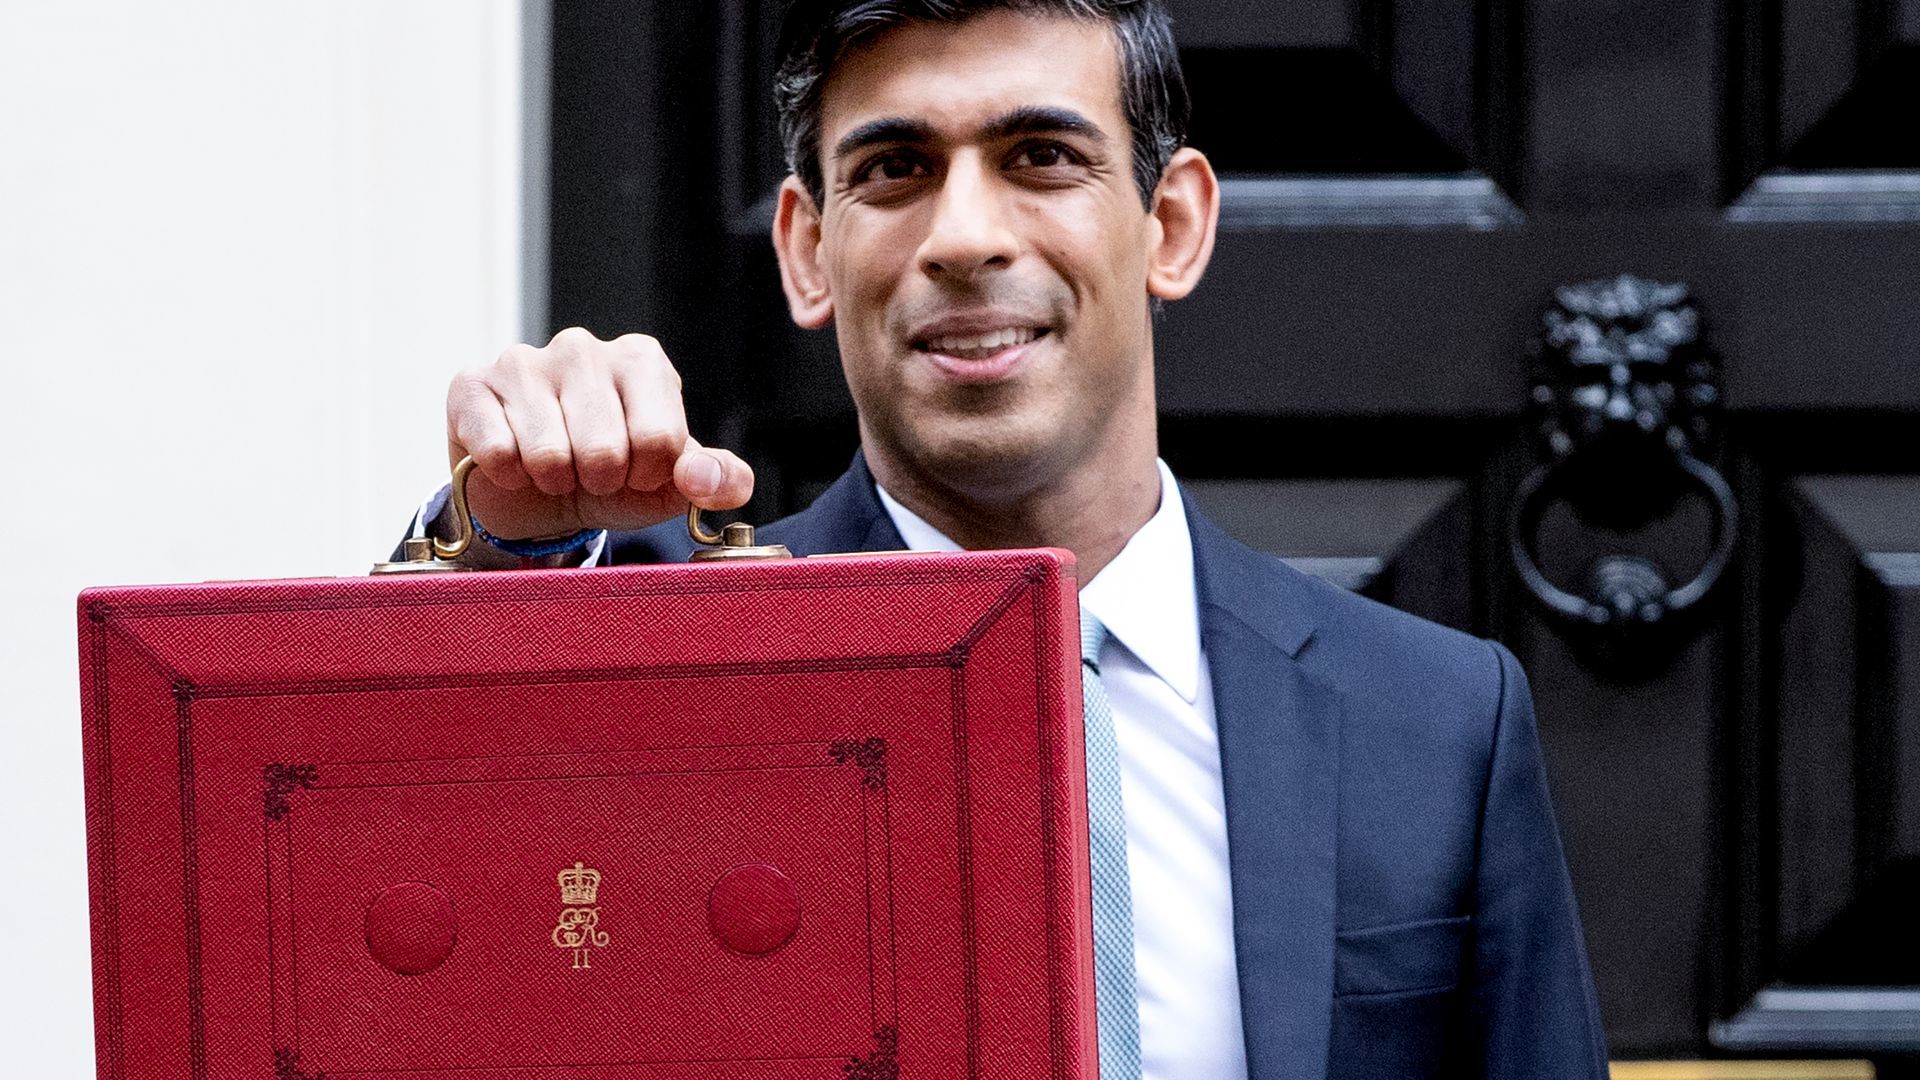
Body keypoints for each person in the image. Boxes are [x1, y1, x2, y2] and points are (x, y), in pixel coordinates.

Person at [407, 1, 1608, 1076]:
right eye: (893, 168)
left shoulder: (1441, 720)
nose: (965, 235)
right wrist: (501, 542)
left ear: (1172, 224)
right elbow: (407, 929)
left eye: (1041, 157)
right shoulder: (674, 664)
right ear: (805, 250)